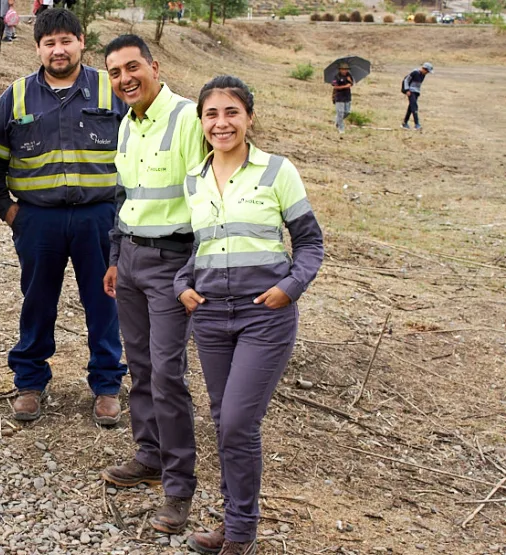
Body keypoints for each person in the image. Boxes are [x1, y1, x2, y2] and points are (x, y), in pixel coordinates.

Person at [175, 75, 324, 555]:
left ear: (249, 118)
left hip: (265, 316)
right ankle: (234, 521)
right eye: (212, 114)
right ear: (202, 122)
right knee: (224, 421)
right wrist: (183, 285)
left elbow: (310, 243)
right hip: (212, 318)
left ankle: (242, 531)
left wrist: (290, 287)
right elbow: (198, 250)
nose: (222, 123)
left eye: (231, 113)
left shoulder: (277, 170)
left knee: (238, 420)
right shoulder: (194, 178)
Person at [0, 9, 128, 425]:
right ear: (37, 48)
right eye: (49, 43)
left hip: (99, 218)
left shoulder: (109, 89)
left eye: (66, 40)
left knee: (104, 302)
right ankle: (29, 382)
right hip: (38, 220)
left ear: (82, 41)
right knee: (37, 301)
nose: (58, 49)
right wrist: (7, 209)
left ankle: (106, 385)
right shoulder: (16, 96)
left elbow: (137, 152)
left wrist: (123, 214)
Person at [99, 35, 206, 535]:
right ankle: (150, 453)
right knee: (139, 365)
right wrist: (117, 257)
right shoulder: (127, 124)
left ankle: (180, 486)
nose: (125, 79)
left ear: (155, 66)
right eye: (116, 72)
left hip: (173, 262)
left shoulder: (187, 118)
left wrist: (192, 271)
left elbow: (206, 196)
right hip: (134, 260)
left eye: (132, 67)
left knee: (167, 373)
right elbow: (125, 195)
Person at [402, 62, 432, 130]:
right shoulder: (415, 72)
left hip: (416, 92)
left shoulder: (423, 75)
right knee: (414, 106)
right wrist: (407, 90)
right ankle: (417, 124)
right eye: (427, 71)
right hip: (410, 91)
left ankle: (404, 123)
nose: (427, 73)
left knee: (411, 107)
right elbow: (406, 80)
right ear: (424, 69)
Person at [331, 62, 353, 134]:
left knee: (347, 112)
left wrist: (350, 82)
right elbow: (335, 86)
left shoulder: (348, 75)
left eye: (346, 69)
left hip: (347, 96)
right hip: (339, 97)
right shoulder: (336, 77)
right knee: (340, 113)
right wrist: (345, 86)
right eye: (343, 69)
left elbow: (351, 83)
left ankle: (337, 120)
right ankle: (341, 129)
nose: (345, 71)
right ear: (340, 70)